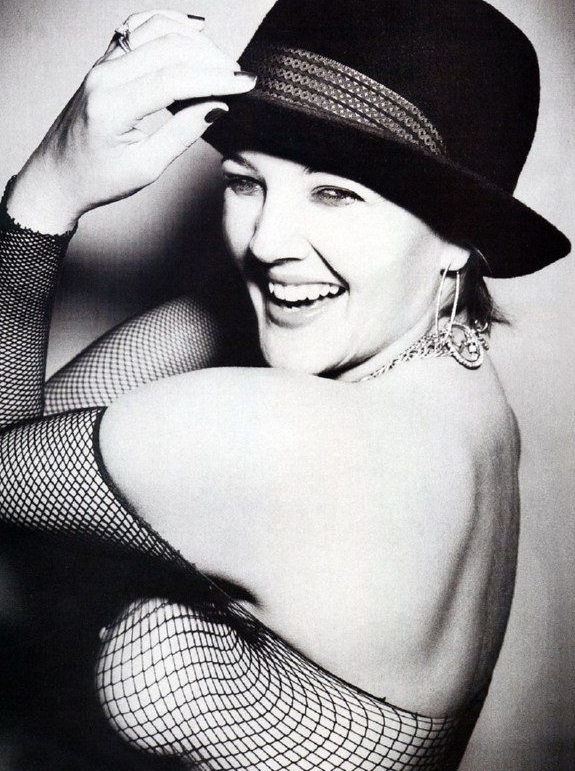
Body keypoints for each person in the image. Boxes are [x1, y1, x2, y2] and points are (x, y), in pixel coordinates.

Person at [0, 1, 570, 769]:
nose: (266, 243)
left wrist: (43, 196)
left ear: (456, 237)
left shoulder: (284, 438)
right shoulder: (459, 383)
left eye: (335, 193)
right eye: (245, 182)